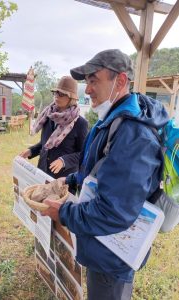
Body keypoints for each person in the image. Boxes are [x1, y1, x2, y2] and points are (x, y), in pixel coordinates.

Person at [41, 49, 169, 299]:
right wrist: (70, 179)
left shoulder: (133, 135)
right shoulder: (112, 120)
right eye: (86, 82)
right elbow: (98, 172)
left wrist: (63, 212)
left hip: (113, 254)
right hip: (101, 243)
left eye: (93, 81)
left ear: (120, 81)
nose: (86, 90)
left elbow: (113, 212)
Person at [20, 76, 88, 193]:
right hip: (42, 172)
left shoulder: (81, 123)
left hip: (63, 179)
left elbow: (83, 154)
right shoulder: (49, 116)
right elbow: (44, 144)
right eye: (55, 92)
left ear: (71, 98)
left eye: (61, 94)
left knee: (57, 210)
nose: (56, 95)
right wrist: (31, 151)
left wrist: (64, 160)